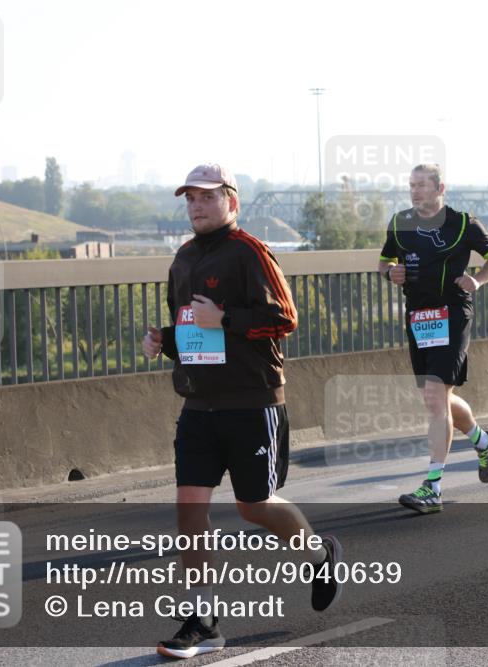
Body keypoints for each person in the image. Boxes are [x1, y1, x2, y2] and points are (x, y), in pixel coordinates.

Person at [143, 164, 341, 659]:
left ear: (232, 202)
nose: (197, 206)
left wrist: (225, 317)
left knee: (255, 506)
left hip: (252, 402)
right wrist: (163, 341)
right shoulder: (183, 259)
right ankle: (203, 620)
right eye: (190, 198)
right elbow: (195, 332)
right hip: (199, 404)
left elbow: (285, 319)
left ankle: (319, 556)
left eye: (208, 197)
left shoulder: (251, 252)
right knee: (190, 506)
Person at [378, 164, 488, 514]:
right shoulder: (400, 222)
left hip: (452, 314)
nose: (415, 191)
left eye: (422, 185)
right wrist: (392, 272)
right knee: (437, 398)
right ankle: (485, 440)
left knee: (436, 395)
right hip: (419, 318)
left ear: (440, 188)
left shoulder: (463, 223)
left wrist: (478, 279)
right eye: (411, 185)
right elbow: (385, 260)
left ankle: (432, 487)